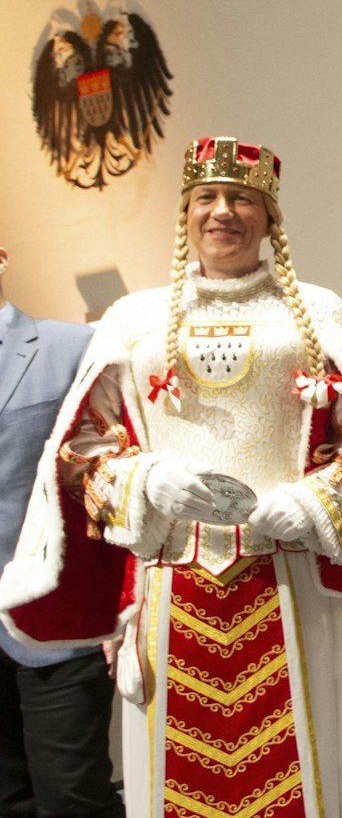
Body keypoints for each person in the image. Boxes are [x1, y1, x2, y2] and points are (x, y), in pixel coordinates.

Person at [0, 136, 342, 818]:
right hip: (171, 588)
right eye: (207, 197)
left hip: (295, 583)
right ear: (186, 211)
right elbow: (81, 449)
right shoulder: (133, 321)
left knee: (313, 766)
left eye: (241, 198)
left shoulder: (318, 312)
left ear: (269, 216)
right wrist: (144, 480)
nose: (223, 211)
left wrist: (319, 499)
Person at [0, 246, 120, 817]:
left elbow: (111, 476)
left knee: (72, 797)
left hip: (57, 616)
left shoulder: (70, 348)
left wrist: (123, 601)